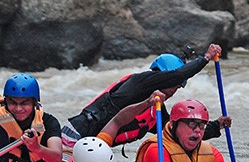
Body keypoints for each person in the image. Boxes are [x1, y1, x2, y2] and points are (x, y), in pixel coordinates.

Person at [61, 44, 230, 151]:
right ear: (162, 76)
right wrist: (206, 58)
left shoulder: (154, 110)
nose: (174, 91)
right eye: (174, 84)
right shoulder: (139, 82)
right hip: (76, 135)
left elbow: (178, 133)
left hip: (94, 148)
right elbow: (178, 75)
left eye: (178, 87)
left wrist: (216, 126)